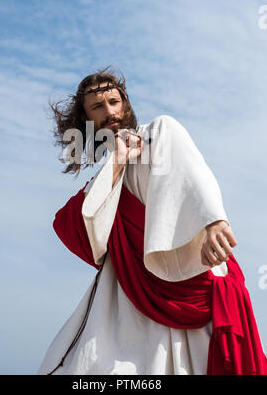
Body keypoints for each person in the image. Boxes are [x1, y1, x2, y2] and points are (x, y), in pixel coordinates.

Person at [37, 67, 267, 375]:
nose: (109, 111)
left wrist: (212, 220)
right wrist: (117, 163)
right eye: (98, 106)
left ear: (125, 105)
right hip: (128, 298)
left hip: (189, 279)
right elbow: (84, 234)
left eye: (114, 102)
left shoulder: (153, 136)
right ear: (86, 120)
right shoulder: (104, 178)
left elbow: (182, 156)